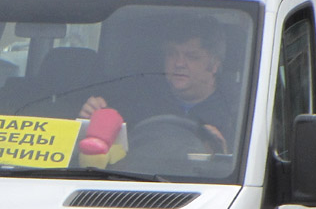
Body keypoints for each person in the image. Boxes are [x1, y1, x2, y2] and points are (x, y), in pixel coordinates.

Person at [79, 17, 235, 152]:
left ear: (214, 64)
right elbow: (100, 155)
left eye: (192, 56)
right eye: (171, 54)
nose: (179, 63)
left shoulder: (239, 114)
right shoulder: (135, 99)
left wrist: (223, 155)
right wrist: (90, 121)